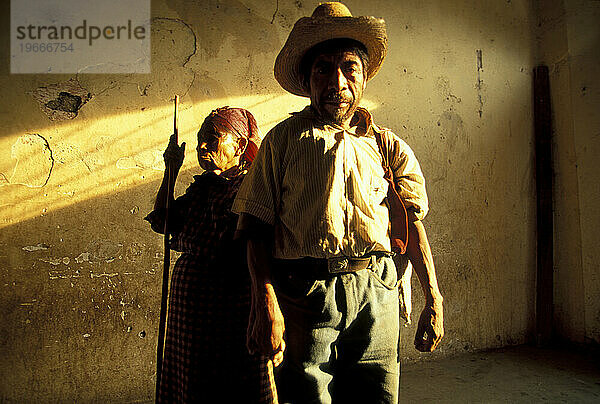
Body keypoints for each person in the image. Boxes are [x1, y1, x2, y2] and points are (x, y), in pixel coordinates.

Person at [232, 3, 444, 403]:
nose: (337, 81)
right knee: (308, 396)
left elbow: (413, 224)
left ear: (364, 78)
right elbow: (254, 230)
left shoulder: (386, 145)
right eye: (323, 68)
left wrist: (433, 296)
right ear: (308, 79)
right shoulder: (283, 141)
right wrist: (265, 304)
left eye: (349, 68)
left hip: (377, 289)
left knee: (377, 394)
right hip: (307, 294)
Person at [146, 107, 278, 403]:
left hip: (229, 306)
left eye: (213, 138)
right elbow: (164, 221)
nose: (202, 147)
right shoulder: (203, 187)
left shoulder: (251, 188)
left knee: (232, 379)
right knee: (190, 379)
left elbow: (235, 248)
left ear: (240, 145)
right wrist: (171, 169)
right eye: (199, 141)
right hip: (189, 312)